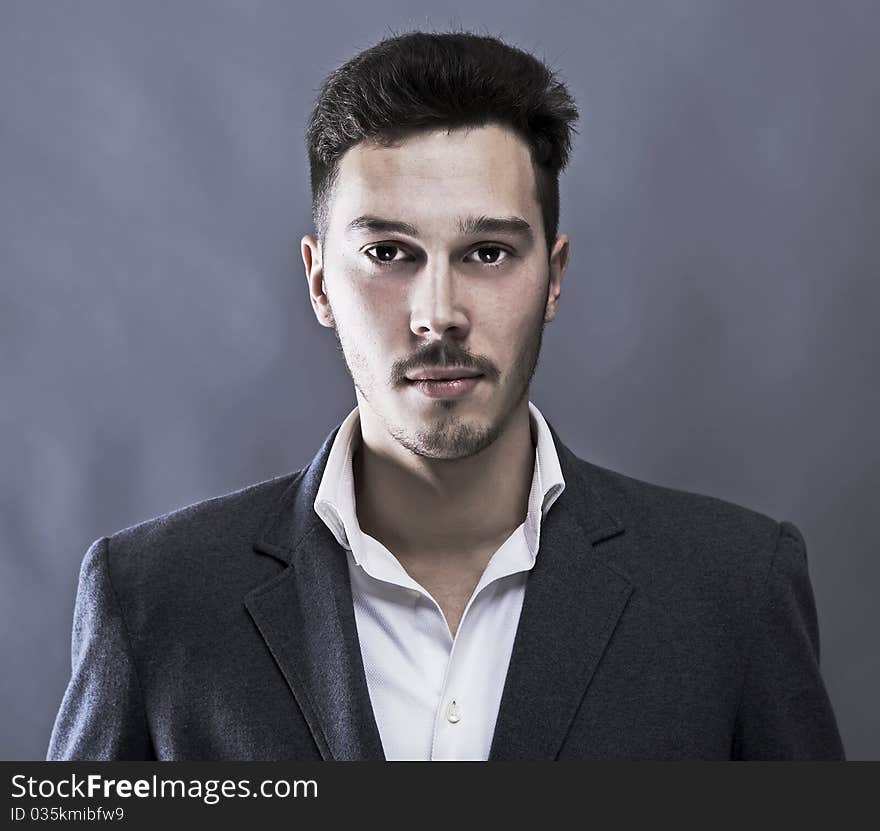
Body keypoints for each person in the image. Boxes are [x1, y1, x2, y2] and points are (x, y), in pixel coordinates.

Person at [47, 31, 845, 761]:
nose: (438, 314)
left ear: (554, 278)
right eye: (389, 251)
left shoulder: (733, 589)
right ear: (320, 279)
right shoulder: (153, 600)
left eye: (488, 251)